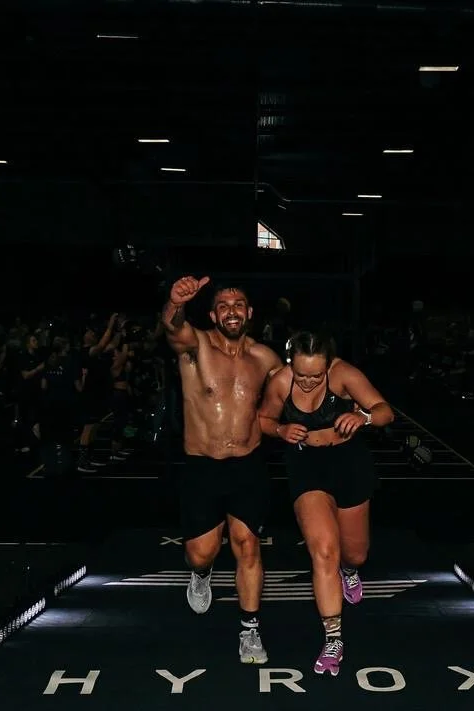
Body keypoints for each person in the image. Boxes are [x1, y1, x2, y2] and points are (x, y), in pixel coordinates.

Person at [162, 275, 283, 664]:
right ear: (214, 315)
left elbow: (297, 389)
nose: (232, 311)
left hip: (248, 465)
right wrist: (175, 303)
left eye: (238, 305)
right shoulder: (196, 345)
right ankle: (201, 574)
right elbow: (173, 328)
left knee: (248, 546)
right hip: (203, 467)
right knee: (201, 554)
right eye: (224, 306)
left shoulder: (265, 359)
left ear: (249, 313)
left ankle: (250, 630)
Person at [257, 331, 394, 676]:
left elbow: (385, 412)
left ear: (328, 365)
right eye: (301, 374)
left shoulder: (344, 373)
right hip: (305, 466)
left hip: (349, 463)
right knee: (324, 551)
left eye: (316, 375)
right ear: (291, 363)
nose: (307, 382)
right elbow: (263, 420)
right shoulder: (281, 382)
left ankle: (350, 571)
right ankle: (333, 638)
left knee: (354, 554)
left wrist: (363, 418)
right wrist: (280, 431)